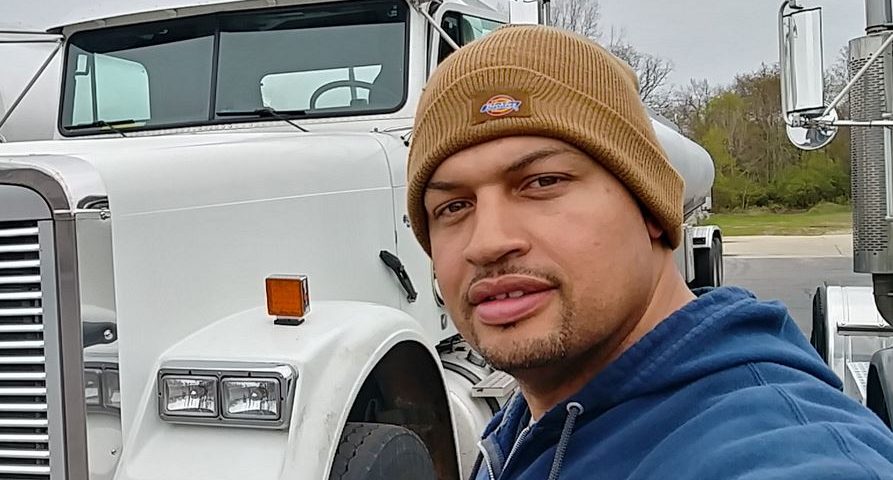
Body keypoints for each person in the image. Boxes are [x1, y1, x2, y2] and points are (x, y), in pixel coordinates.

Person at [405, 24, 893, 480]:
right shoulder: (535, 425)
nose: (487, 241)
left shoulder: (791, 451)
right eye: (452, 207)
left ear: (652, 211)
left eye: (543, 182)